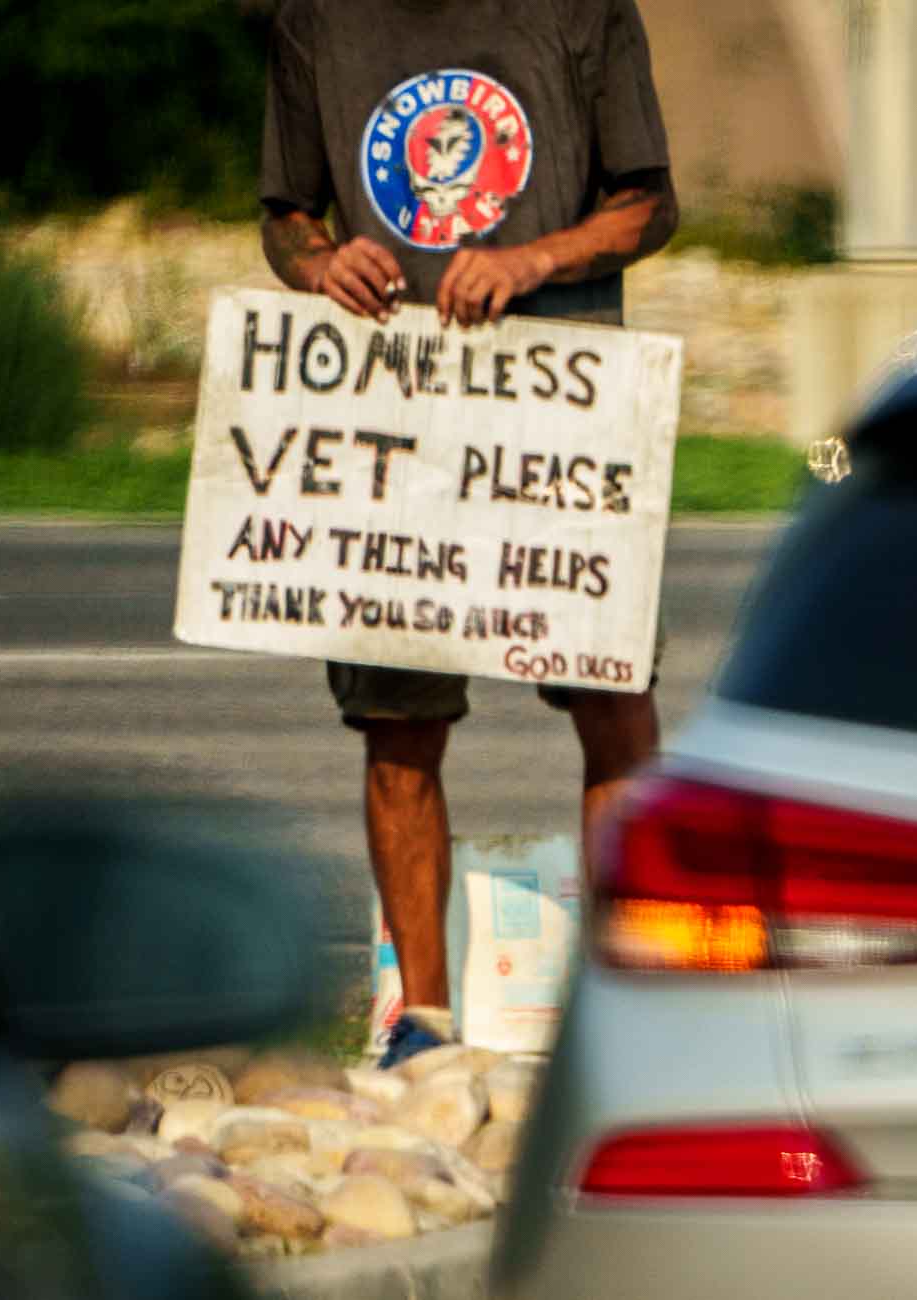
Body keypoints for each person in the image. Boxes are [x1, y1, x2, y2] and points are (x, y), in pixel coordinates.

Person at [256, 0, 677, 1067]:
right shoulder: (317, 21)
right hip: (389, 415)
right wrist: (318, 265)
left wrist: (533, 261)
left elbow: (650, 205)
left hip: (558, 403)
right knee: (397, 722)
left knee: (612, 696)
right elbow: (284, 214)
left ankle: (625, 1010)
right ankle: (424, 1030)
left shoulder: (582, 9)